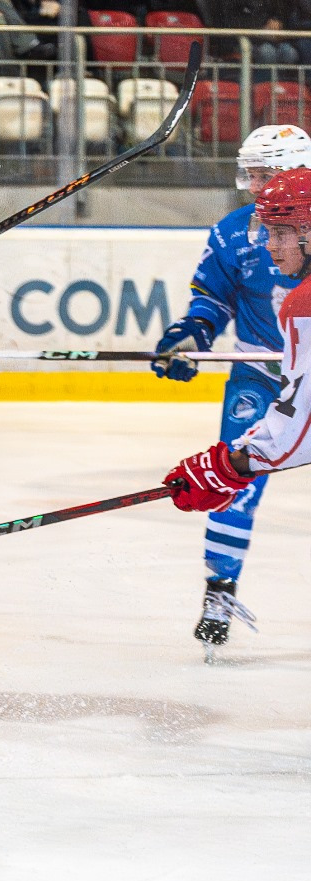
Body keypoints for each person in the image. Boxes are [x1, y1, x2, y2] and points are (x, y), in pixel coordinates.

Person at [149, 125, 311, 654]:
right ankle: (220, 587)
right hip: (261, 376)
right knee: (237, 477)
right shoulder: (233, 232)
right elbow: (211, 300)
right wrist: (190, 334)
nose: (256, 186)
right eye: (253, 175)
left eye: (267, 175)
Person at [167, 168, 311, 561]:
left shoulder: (305, 306)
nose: (269, 246)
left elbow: (299, 430)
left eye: (280, 233)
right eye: (267, 232)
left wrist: (229, 467)